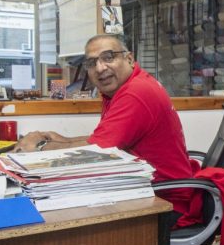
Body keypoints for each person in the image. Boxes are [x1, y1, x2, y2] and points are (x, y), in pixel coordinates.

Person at [14, 34, 195, 216]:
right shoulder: (119, 90)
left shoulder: (136, 93)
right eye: (92, 63)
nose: (100, 68)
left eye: (108, 57)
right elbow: (104, 140)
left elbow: (98, 151)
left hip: (165, 202)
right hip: (141, 190)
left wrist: (39, 147)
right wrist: (62, 140)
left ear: (129, 59)